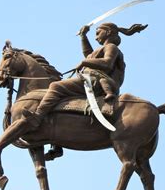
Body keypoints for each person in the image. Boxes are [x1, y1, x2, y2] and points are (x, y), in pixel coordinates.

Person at [23, 22, 148, 160]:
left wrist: (84, 63)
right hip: (90, 80)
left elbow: (107, 63)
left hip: (98, 81)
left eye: (98, 32)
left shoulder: (111, 47)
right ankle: (55, 144)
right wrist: (83, 36)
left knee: (55, 87)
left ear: (107, 32)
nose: (96, 37)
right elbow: (89, 54)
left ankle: (37, 117)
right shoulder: (102, 49)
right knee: (62, 101)